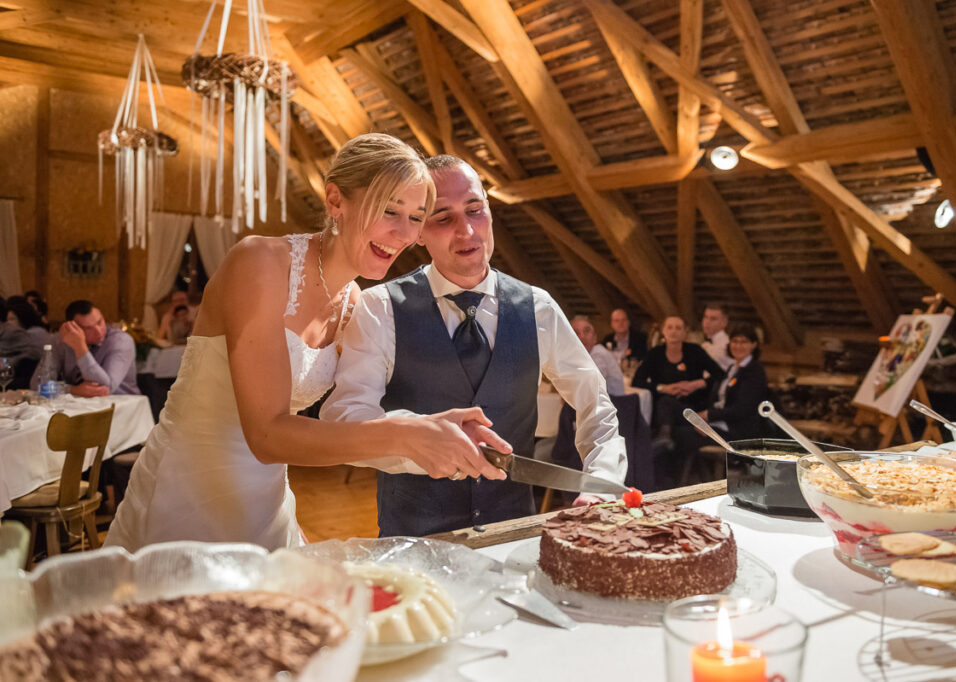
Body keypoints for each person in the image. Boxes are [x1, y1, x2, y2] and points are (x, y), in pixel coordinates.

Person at [106, 134, 506, 552]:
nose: (402, 234)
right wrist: (405, 434)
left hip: (265, 503)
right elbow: (266, 434)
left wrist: (434, 431)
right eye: (389, 210)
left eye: (416, 217)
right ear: (336, 201)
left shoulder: (354, 302)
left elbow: (348, 426)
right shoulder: (259, 263)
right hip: (184, 494)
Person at [322, 154, 627, 537]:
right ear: (418, 232)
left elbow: (595, 405)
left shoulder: (538, 307)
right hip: (414, 540)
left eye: (475, 210)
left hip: (513, 536)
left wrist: (600, 481)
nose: (467, 231)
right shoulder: (379, 307)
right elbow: (346, 417)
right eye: (443, 218)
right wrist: (422, 440)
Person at [631, 315, 725, 448]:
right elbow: (637, 381)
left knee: (666, 402)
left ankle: (665, 436)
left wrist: (697, 384)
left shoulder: (695, 351)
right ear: (663, 331)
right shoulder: (655, 354)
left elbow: (720, 374)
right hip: (661, 410)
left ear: (685, 333)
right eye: (670, 327)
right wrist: (663, 388)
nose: (673, 331)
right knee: (665, 402)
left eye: (678, 328)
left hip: (692, 408)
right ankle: (664, 438)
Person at [34, 300, 140, 396]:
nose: (98, 331)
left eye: (99, 322)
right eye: (88, 328)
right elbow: (37, 384)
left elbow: (105, 388)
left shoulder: (121, 341)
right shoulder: (59, 341)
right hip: (79, 405)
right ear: (72, 328)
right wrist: (72, 390)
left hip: (124, 406)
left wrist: (80, 348)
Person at [699, 322, 768, 441]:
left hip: (737, 430)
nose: (738, 346)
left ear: (754, 345)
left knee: (685, 435)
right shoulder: (732, 368)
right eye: (735, 341)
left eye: (744, 342)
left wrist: (708, 415)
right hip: (718, 422)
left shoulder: (754, 371)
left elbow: (742, 409)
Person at [571, 315, 625, 396]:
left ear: (595, 337)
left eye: (586, 331)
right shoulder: (581, 357)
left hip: (614, 405)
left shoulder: (598, 354)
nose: (582, 336)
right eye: (576, 333)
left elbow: (590, 388)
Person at [700, 302, 732, 371]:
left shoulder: (726, 346)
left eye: (713, 319)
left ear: (724, 322)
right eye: (705, 317)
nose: (707, 322)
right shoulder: (706, 344)